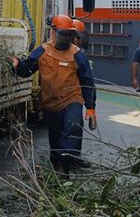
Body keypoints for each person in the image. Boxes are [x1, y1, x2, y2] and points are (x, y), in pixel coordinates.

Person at [12, 15, 96, 173]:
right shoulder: (43, 51)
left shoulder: (77, 54)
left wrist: (90, 107)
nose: (66, 39)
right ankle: (58, 164)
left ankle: (68, 160)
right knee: (55, 136)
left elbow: (87, 81)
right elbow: (27, 69)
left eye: (69, 35)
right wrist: (16, 65)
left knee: (73, 125)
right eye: (63, 34)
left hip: (72, 99)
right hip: (51, 102)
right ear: (54, 32)